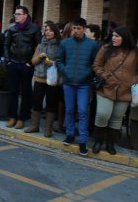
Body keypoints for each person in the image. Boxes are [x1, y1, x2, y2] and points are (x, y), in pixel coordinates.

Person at [56, 18, 100, 155]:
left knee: (82, 111)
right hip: (68, 82)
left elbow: (95, 63)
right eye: (74, 28)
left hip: (84, 84)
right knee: (69, 110)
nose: (75, 31)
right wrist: (65, 71)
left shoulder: (93, 45)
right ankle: (70, 135)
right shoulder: (65, 43)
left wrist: (88, 74)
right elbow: (59, 60)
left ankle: (82, 140)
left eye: (78, 28)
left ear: (84, 29)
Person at [92, 26, 138, 155]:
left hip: (125, 90)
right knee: (102, 114)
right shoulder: (105, 48)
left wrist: (133, 80)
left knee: (117, 118)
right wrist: (105, 76)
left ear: (125, 37)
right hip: (106, 88)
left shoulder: (135, 52)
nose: (113, 38)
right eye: (113, 35)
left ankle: (110, 144)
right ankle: (98, 142)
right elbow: (96, 65)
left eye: (117, 36)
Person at [4, 5, 41, 130]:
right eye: (15, 14)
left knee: (26, 93)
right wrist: (8, 61)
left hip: (27, 65)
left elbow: (38, 47)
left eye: (18, 14)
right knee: (12, 91)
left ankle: (22, 119)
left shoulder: (34, 28)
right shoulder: (12, 29)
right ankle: (12, 117)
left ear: (26, 15)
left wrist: (30, 63)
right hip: (13, 64)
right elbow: (6, 45)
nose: (16, 16)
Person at [27, 21, 61, 136]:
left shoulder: (60, 45)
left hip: (52, 80)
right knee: (36, 102)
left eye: (50, 30)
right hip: (39, 78)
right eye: (46, 30)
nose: (48, 32)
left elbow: (62, 62)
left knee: (51, 104)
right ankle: (35, 126)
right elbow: (33, 61)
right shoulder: (40, 45)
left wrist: (54, 63)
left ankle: (48, 129)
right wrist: (40, 57)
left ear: (55, 32)